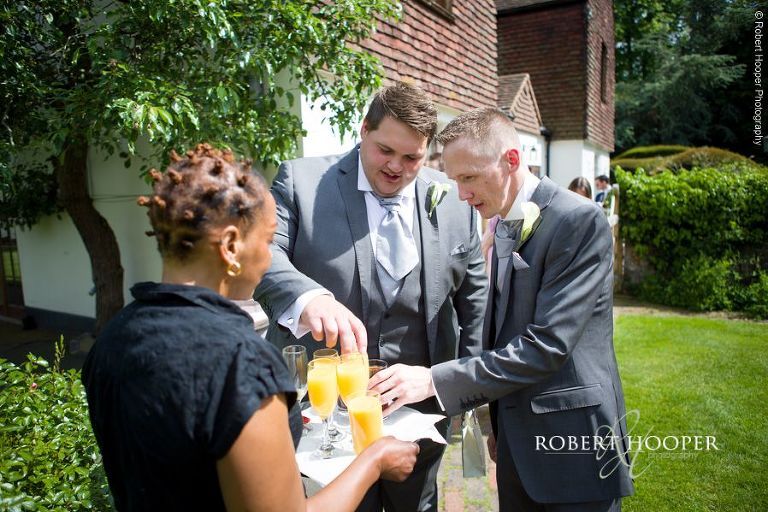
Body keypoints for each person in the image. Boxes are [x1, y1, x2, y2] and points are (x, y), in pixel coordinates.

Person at [82, 144, 419, 512]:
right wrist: (374, 460)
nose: (271, 255)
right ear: (230, 246)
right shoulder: (240, 363)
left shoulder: (112, 340)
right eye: (268, 239)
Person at [370, 108, 634, 511]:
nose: (460, 193)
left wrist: (433, 381)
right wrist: (498, 423)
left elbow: (546, 346)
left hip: (573, 444)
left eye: (469, 177)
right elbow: (503, 332)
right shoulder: (504, 222)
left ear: (511, 161)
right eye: (455, 179)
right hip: (518, 440)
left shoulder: (578, 221)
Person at [254, 83, 487, 512]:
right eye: (385, 150)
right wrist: (308, 298)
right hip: (325, 410)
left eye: (412, 157)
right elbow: (261, 252)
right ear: (363, 130)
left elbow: (476, 304)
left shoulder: (454, 199)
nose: (396, 167)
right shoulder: (301, 181)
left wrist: (461, 389)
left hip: (421, 408)